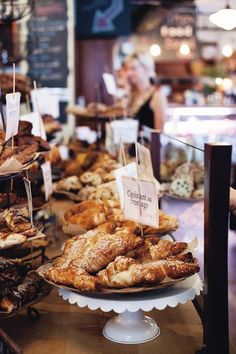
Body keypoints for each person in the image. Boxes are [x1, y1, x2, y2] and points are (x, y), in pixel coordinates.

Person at [123, 51, 168, 130]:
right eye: (126, 69)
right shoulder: (131, 95)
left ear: (146, 69)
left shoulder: (157, 96)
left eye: (133, 68)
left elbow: (159, 134)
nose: (128, 73)